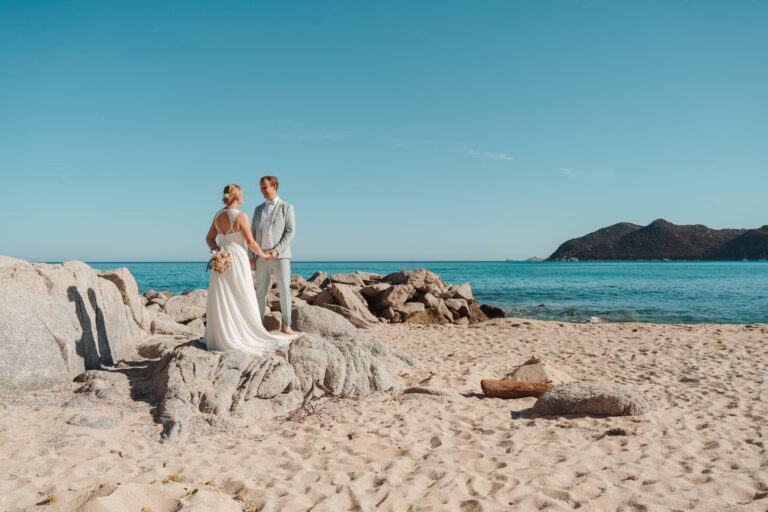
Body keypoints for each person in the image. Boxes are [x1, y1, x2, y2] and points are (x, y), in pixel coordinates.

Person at [203, 183, 298, 354]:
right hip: (237, 259)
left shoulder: (217, 215)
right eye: (242, 194)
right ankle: (242, 333)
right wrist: (264, 255)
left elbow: (209, 238)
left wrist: (217, 253)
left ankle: (222, 335)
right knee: (242, 294)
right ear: (238, 196)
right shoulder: (241, 216)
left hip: (222, 259)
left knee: (223, 295)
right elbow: (252, 243)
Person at [248, 176, 296, 335]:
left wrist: (277, 250)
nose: (262, 191)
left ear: (274, 186)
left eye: (265, 188)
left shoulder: (287, 207)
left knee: (284, 290)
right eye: (261, 188)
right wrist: (251, 256)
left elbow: (290, 232)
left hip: (280, 256)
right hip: (261, 256)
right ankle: (258, 326)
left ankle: (286, 324)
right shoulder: (258, 209)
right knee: (260, 291)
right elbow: (253, 234)